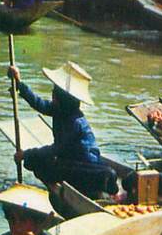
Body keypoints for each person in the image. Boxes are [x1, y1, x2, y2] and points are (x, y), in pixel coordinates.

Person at [7, 62, 119, 198]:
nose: (52, 97)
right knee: (34, 161)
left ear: (60, 99)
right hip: (69, 159)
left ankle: (87, 188)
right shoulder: (60, 110)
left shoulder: (74, 121)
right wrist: (19, 84)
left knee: (34, 160)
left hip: (84, 163)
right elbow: (40, 104)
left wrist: (26, 154)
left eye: (54, 95)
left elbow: (56, 149)